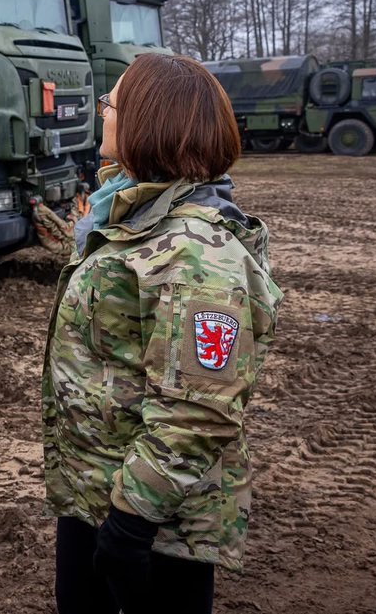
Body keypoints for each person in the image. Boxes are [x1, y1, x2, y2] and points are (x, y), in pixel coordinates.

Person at [43, 53, 283, 614]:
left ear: (147, 121)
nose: (103, 110)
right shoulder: (130, 213)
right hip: (98, 492)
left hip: (153, 521)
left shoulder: (196, 250)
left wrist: (129, 526)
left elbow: (198, 408)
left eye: (113, 102)